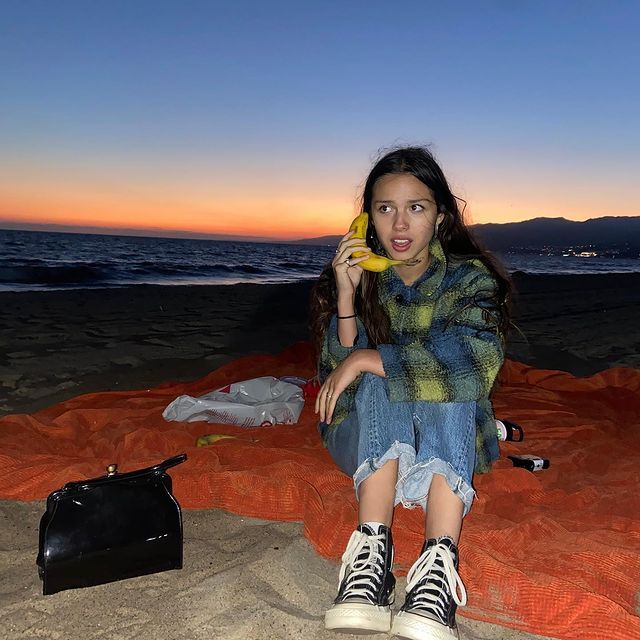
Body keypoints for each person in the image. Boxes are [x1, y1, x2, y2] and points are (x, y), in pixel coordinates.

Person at [310, 145, 511, 639]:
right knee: (380, 378)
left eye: (415, 208)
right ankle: (372, 555)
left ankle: (438, 564)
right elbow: (335, 385)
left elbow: (476, 362)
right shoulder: (358, 279)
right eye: (385, 209)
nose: (399, 226)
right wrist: (345, 296)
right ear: (367, 219)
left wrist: (371, 358)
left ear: (440, 217)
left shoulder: (469, 279)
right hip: (364, 440)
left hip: (445, 440)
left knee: (442, 378)